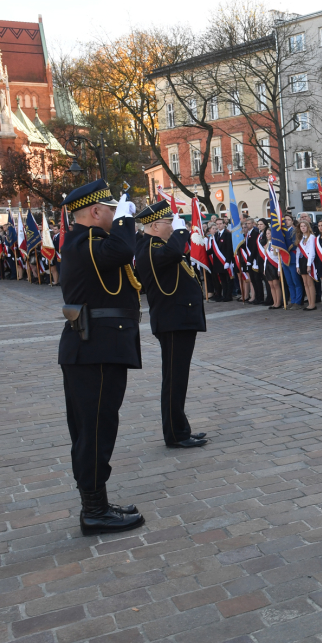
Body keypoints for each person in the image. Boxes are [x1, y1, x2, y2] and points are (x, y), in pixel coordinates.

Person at [58, 179, 145, 535]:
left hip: (97, 347)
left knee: (97, 427)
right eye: (110, 210)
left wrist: (120, 219)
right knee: (95, 429)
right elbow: (123, 252)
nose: (115, 216)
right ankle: (93, 512)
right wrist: (125, 221)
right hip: (94, 349)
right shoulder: (86, 242)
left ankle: (97, 501)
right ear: (96, 212)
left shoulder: (89, 242)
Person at [134, 200, 209, 450]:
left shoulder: (155, 245)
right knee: (175, 379)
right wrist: (181, 231)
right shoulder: (150, 247)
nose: (172, 227)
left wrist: (175, 231)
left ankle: (180, 428)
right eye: (168, 223)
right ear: (155, 225)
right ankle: (176, 434)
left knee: (177, 378)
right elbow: (175, 253)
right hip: (173, 321)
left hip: (178, 320)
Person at [295, 220, 318, 311]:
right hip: (301, 261)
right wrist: (297, 265)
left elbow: (312, 252)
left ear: (308, 227)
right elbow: (298, 252)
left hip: (308, 261)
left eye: (304, 226)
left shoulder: (311, 237)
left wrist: (309, 265)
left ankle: (312, 303)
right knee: (305, 283)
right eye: (301, 226)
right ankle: (309, 302)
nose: (303, 228)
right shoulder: (301, 238)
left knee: (310, 283)